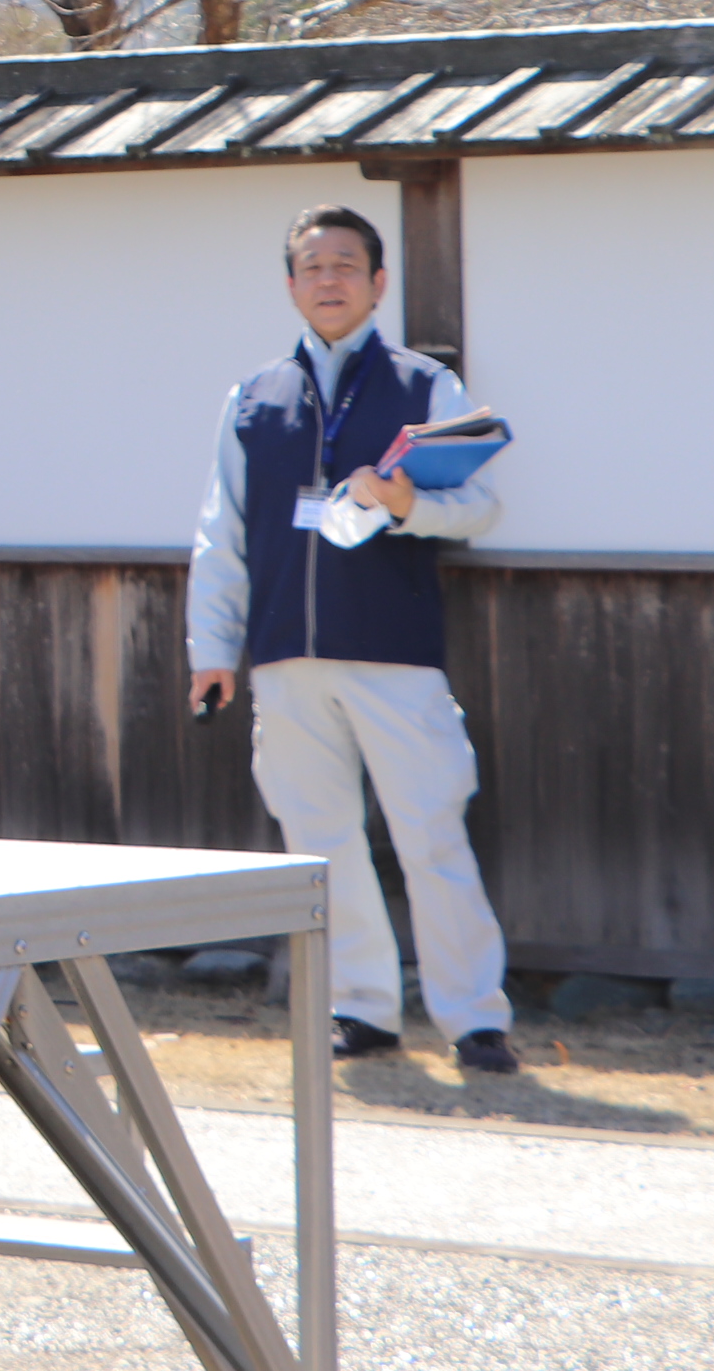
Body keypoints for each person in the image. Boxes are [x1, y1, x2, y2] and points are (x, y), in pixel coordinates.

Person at [187, 205, 519, 1076]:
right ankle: (361, 1009)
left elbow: (482, 509)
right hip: (284, 658)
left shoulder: (427, 388)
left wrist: (404, 502)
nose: (327, 278)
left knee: (431, 833)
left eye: (345, 264)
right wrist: (210, 651)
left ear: (379, 282)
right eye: (310, 265)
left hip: (395, 653)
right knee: (320, 838)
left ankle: (475, 1018)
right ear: (290, 284)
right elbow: (219, 533)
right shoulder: (252, 398)